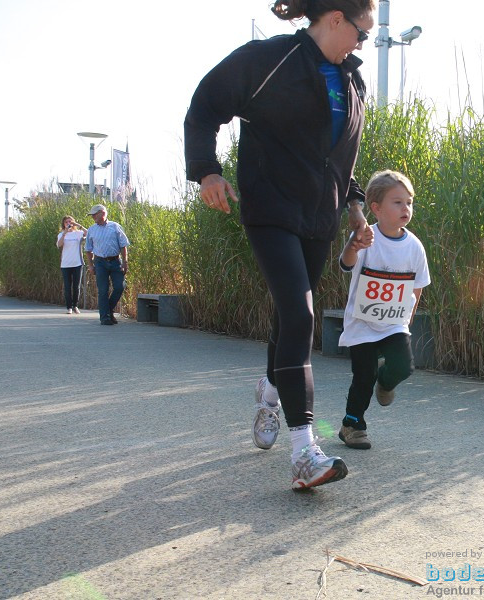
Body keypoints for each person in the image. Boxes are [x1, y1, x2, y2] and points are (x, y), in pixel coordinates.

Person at [183, 0, 377, 490]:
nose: (363, 44)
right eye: (362, 32)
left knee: (287, 315)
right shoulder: (268, 60)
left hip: (319, 218)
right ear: (335, 19)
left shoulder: (353, 82)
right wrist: (206, 169)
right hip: (270, 209)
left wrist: (354, 209)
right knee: (300, 315)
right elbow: (205, 105)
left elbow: (343, 160)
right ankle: (304, 451)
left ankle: (270, 390)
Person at [337, 170, 430, 450]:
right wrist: (354, 243)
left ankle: (386, 382)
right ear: (375, 208)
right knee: (362, 376)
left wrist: (406, 321)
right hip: (362, 323)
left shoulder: (414, 246)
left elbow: (417, 286)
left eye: (409, 202)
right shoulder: (367, 238)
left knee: (403, 365)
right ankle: (352, 425)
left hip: (393, 323)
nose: (406, 208)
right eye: (397, 202)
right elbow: (346, 262)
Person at [84, 204, 130, 326]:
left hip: (115, 261)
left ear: (102, 213)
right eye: (92, 215)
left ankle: (108, 309)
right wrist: (90, 265)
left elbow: (123, 245)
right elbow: (88, 249)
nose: (93, 217)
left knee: (120, 286)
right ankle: (105, 317)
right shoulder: (92, 230)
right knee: (103, 290)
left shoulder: (115, 227)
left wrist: (125, 262)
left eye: (95, 214)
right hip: (100, 262)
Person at [56, 215, 87, 314]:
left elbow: (89, 233)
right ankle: (69, 307)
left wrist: (78, 225)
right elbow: (59, 245)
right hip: (66, 264)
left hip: (77, 263)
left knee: (76, 286)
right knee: (67, 286)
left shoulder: (78, 233)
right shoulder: (61, 234)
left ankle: (75, 306)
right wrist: (65, 232)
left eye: (70, 222)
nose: (68, 224)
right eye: (66, 222)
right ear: (63, 224)